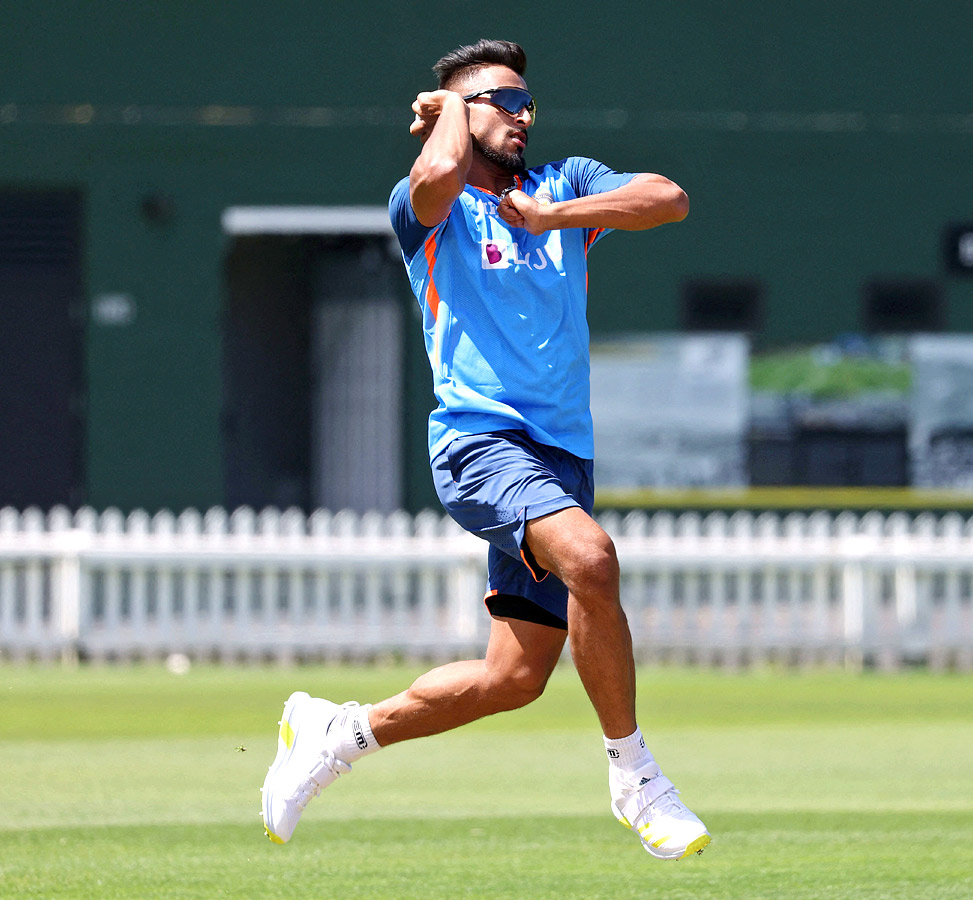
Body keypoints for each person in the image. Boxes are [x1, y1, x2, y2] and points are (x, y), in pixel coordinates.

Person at [260, 38, 710, 861]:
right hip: (479, 443)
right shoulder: (423, 207)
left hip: (560, 458)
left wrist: (554, 216)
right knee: (593, 560)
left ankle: (336, 734)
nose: (523, 114)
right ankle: (636, 777)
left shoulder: (562, 184)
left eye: (527, 100)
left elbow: (669, 198)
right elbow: (434, 180)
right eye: (503, 100)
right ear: (462, 113)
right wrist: (449, 122)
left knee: (513, 679)